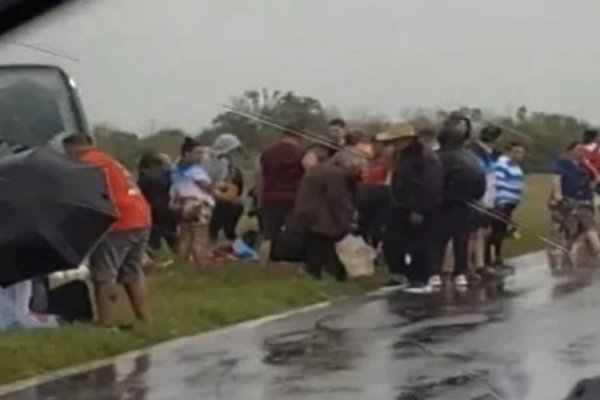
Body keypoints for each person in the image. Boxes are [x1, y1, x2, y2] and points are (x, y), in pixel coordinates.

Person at [62, 133, 152, 326]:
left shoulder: (86, 163)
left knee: (104, 273)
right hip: (141, 216)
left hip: (118, 221)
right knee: (133, 272)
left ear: (72, 148)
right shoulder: (107, 160)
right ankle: (144, 319)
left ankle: (106, 322)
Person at [382, 124, 444, 293]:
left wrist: (419, 209)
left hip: (419, 206)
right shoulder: (401, 156)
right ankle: (401, 274)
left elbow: (431, 185)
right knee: (393, 242)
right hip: (400, 205)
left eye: (395, 140)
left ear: (406, 139)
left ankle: (420, 278)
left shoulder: (424, 157)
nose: (393, 144)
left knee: (419, 243)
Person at [287, 149, 359, 281]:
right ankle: (333, 275)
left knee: (316, 248)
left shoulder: (318, 169)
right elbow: (337, 198)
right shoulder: (335, 174)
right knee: (323, 247)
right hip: (320, 217)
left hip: (307, 214)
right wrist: (346, 218)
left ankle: (317, 275)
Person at [432, 116, 486, 287]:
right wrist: (473, 198)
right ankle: (459, 273)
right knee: (460, 240)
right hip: (464, 204)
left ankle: (435, 273)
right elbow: (479, 181)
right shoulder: (470, 157)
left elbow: (430, 182)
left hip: (440, 205)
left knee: (437, 241)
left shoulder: (435, 158)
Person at [549, 141, 600, 269]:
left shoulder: (585, 165)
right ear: (570, 150)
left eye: (583, 150)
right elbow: (557, 178)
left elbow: (596, 178)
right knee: (575, 230)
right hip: (569, 201)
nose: (581, 152)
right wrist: (558, 195)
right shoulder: (563, 163)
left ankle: (575, 253)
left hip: (584, 202)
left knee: (587, 228)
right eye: (578, 149)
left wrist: (591, 188)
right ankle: (567, 254)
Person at [258, 129, 306, 264]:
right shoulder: (301, 154)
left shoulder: (266, 154)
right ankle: (289, 263)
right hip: (292, 198)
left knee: (268, 236)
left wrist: (260, 197)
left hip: (269, 198)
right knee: (292, 232)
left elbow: (260, 176)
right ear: (298, 137)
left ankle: (263, 266)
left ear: (282, 136)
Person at [170, 138, 214, 266]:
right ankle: (201, 266)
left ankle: (183, 265)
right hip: (199, 204)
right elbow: (207, 187)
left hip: (184, 203)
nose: (201, 156)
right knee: (200, 238)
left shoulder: (176, 168)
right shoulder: (195, 170)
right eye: (198, 152)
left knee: (185, 238)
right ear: (186, 153)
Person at [466, 125, 503, 278]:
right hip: (478, 197)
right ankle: (467, 265)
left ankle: (480, 264)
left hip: (489, 197)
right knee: (473, 233)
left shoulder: (491, 154)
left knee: (483, 231)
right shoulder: (474, 151)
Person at [488, 142, 526, 270]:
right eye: (517, 152)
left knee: (502, 231)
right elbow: (499, 183)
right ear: (509, 152)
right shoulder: (502, 164)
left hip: (511, 203)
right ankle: (491, 259)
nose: (520, 155)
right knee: (497, 231)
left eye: (521, 152)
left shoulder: (516, 166)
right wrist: (501, 201)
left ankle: (497, 257)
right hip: (502, 203)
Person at [202, 134, 245, 245]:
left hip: (213, 192)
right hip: (198, 192)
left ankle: (224, 233)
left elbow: (222, 182)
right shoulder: (204, 157)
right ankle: (211, 235)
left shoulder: (224, 162)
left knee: (236, 205)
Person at [137, 152, 177, 254]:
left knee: (154, 239)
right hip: (167, 208)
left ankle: (154, 256)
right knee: (172, 237)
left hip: (149, 208)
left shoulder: (143, 175)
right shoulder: (169, 175)